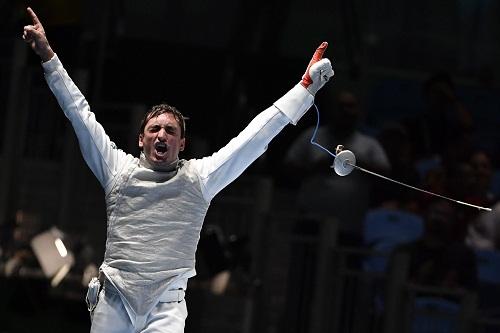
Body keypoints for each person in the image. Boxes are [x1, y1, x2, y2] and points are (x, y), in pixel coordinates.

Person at [22, 7, 334, 333]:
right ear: (140, 139)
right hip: (114, 299)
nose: (162, 135)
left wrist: (305, 89)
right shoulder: (117, 169)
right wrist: (48, 56)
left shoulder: (198, 179)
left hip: (166, 308)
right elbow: (79, 113)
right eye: (155, 129)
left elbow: (254, 139)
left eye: (171, 131)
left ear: (181, 144)